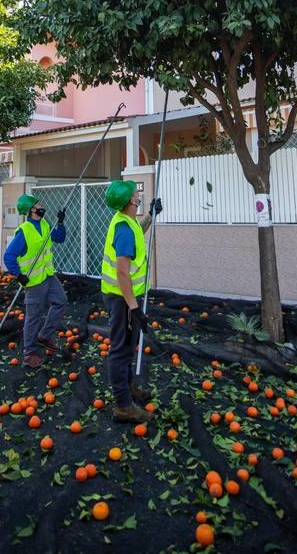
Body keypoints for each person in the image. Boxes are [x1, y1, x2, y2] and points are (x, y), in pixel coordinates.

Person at [101, 179, 162, 423]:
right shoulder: (123, 228)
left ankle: (127, 389)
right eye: (136, 194)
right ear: (129, 200)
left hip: (124, 297)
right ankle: (123, 405)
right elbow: (122, 272)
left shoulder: (129, 221)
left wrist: (151, 215)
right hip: (122, 299)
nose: (139, 195)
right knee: (120, 348)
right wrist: (134, 308)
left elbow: (141, 229)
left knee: (127, 346)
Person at [3, 194, 69, 368]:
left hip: (48, 275)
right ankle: (29, 353)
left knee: (61, 302)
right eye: (38, 204)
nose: (41, 205)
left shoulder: (46, 224)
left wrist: (60, 222)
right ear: (32, 209)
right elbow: (9, 256)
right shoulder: (24, 231)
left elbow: (60, 238)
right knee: (33, 317)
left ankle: (45, 336)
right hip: (33, 281)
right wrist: (18, 275)